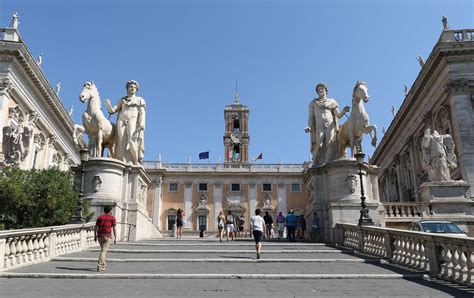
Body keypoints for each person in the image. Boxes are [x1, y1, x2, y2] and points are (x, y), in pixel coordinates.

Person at [304, 83, 349, 164]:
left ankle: (328, 164)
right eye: (319, 89)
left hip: (330, 125)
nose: (320, 90)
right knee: (319, 145)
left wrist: (344, 111)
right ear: (317, 92)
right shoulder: (313, 103)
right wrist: (309, 126)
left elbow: (338, 115)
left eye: (322, 88)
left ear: (326, 90)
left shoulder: (332, 101)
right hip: (319, 127)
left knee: (330, 144)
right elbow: (311, 117)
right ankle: (315, 162)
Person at [105, 80, 146, 165]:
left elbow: (142, 113)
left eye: (135, 87)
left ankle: (135, 161)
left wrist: (142, 124)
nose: (133, 88)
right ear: (127, 88)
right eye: (131, 87)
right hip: (121, 120)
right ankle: (122, 161)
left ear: (137, 89)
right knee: (120, 141)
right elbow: (113, 110)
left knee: (131, 140)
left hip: (132, 120)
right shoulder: (122, 99)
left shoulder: (139, 100)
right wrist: (108, 105)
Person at [94, 206, 117, 272]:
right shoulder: (112, 218)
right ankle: (100, 265)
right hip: (107, 236)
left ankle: (103, 265)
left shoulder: (100, 217)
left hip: (99, 236)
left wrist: (95, 236)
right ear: (110, 211)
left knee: (103, 251)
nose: (112, 212)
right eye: (111, 210)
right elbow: (114, 228)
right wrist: (115, 237)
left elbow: (96, 227)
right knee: (103, 252)